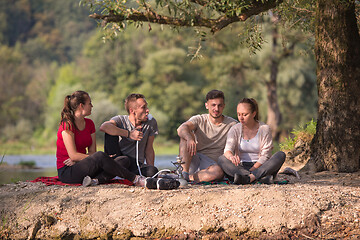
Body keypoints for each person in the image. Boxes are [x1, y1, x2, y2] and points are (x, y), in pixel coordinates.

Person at [56, 90, 179, 190]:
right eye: (90, 103)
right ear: (81, 106)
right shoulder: (67, 125)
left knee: (121, 160)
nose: (92, 106)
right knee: (101, 156)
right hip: (68, 170)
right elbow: (73, 155)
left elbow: (91, 153)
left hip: (84, 166)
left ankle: (95, 180)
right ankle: (136, 180)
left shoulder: (89, 124)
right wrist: (85, 158)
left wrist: (84, 158)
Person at [218, 98, 286, 184]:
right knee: (221, 159)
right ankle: (258, 178)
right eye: (239, 114)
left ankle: (247, 178)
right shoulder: (234, 129)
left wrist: (254, 170)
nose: (241, 118)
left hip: (261, 166)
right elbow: (227, 150)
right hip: (240, 167)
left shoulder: (264, 129)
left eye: (244, 114)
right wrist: (231, 157)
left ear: (254, 114)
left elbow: (266, 155)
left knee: (280, 155)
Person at [177, 90, 237, 182]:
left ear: (223, 106)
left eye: (219, 105)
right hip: (195, 160)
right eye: (213, 105)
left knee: (218, 172)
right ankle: (184, 173)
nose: (216, 109)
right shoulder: (199, 119)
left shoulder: (232, 124)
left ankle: (187, 178)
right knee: (186, 134)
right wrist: (189, 138)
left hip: (215, 167)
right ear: (206, 105)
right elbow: (181, 128)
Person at [99, 93, 158, 178]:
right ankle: (110, 172)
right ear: (132, 111)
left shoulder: (151, 123)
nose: (147, 110)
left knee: (152, 171)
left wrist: (152, 174)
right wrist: (129, 134)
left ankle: (105, 176)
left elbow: (149, 149)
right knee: (110, 132)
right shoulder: (120, 120)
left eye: (147, 107)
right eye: (143, 107)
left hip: (135, 165)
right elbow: (104, 127)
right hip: (119, 160)